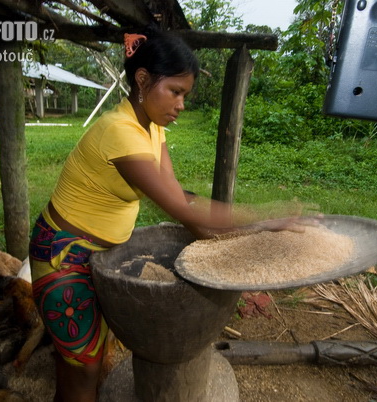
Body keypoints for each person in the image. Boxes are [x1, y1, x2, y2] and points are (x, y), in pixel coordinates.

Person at [28, 27, 305, 401]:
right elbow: (176, 206)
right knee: (85, 366)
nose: (181, 104)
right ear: (143, 80)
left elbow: (180, 197)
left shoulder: (151, 130)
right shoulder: (119, 132)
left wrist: (226, 239)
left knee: (81, 357)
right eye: (175, 92)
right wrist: (264, 217)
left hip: (93, 255)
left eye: (184, 95)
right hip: (62, 256)